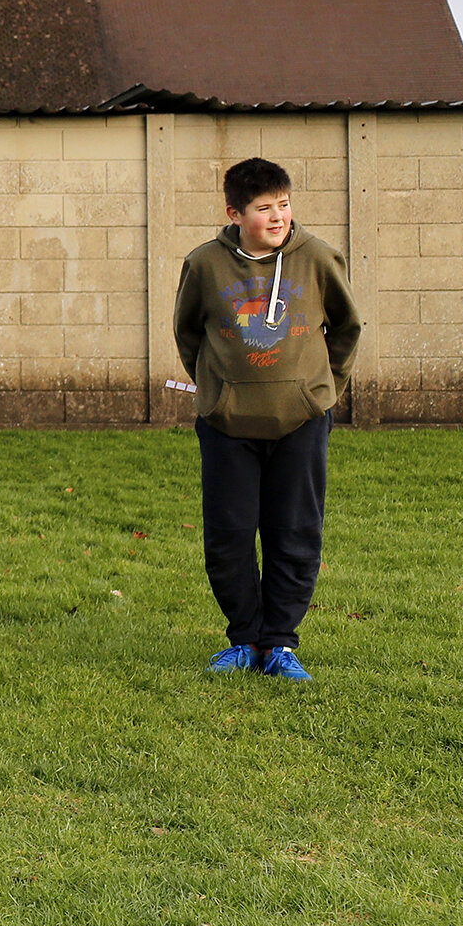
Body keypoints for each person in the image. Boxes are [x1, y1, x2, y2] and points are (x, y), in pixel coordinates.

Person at [174, 157, 360, 682]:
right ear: (234, 212)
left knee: (295, 531)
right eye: (263, 208)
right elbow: (189, 334)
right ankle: (245, 639)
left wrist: (322, 392)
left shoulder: (320, 258)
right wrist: (218, 391)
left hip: (301, 420)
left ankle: (280, 642)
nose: (278, 217)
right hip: (227, 424)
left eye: (284, 204)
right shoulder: (205, 265)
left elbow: (347, 328)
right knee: (229, 535)